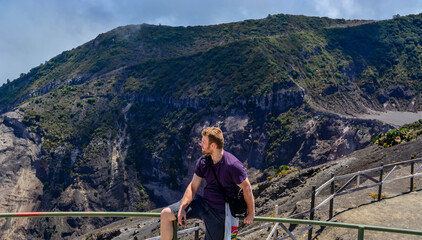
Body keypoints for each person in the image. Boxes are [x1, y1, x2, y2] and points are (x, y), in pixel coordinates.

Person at [160, 127, 255, 240]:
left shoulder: (233, 165)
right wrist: (182, 207)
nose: (201, 144)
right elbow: (193, 186)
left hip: (219, 212)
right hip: (202, 204)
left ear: (213, 146)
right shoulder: (203, 161)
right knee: (165, 214)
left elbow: (246, 187)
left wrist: (251, 213)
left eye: (204, 142)